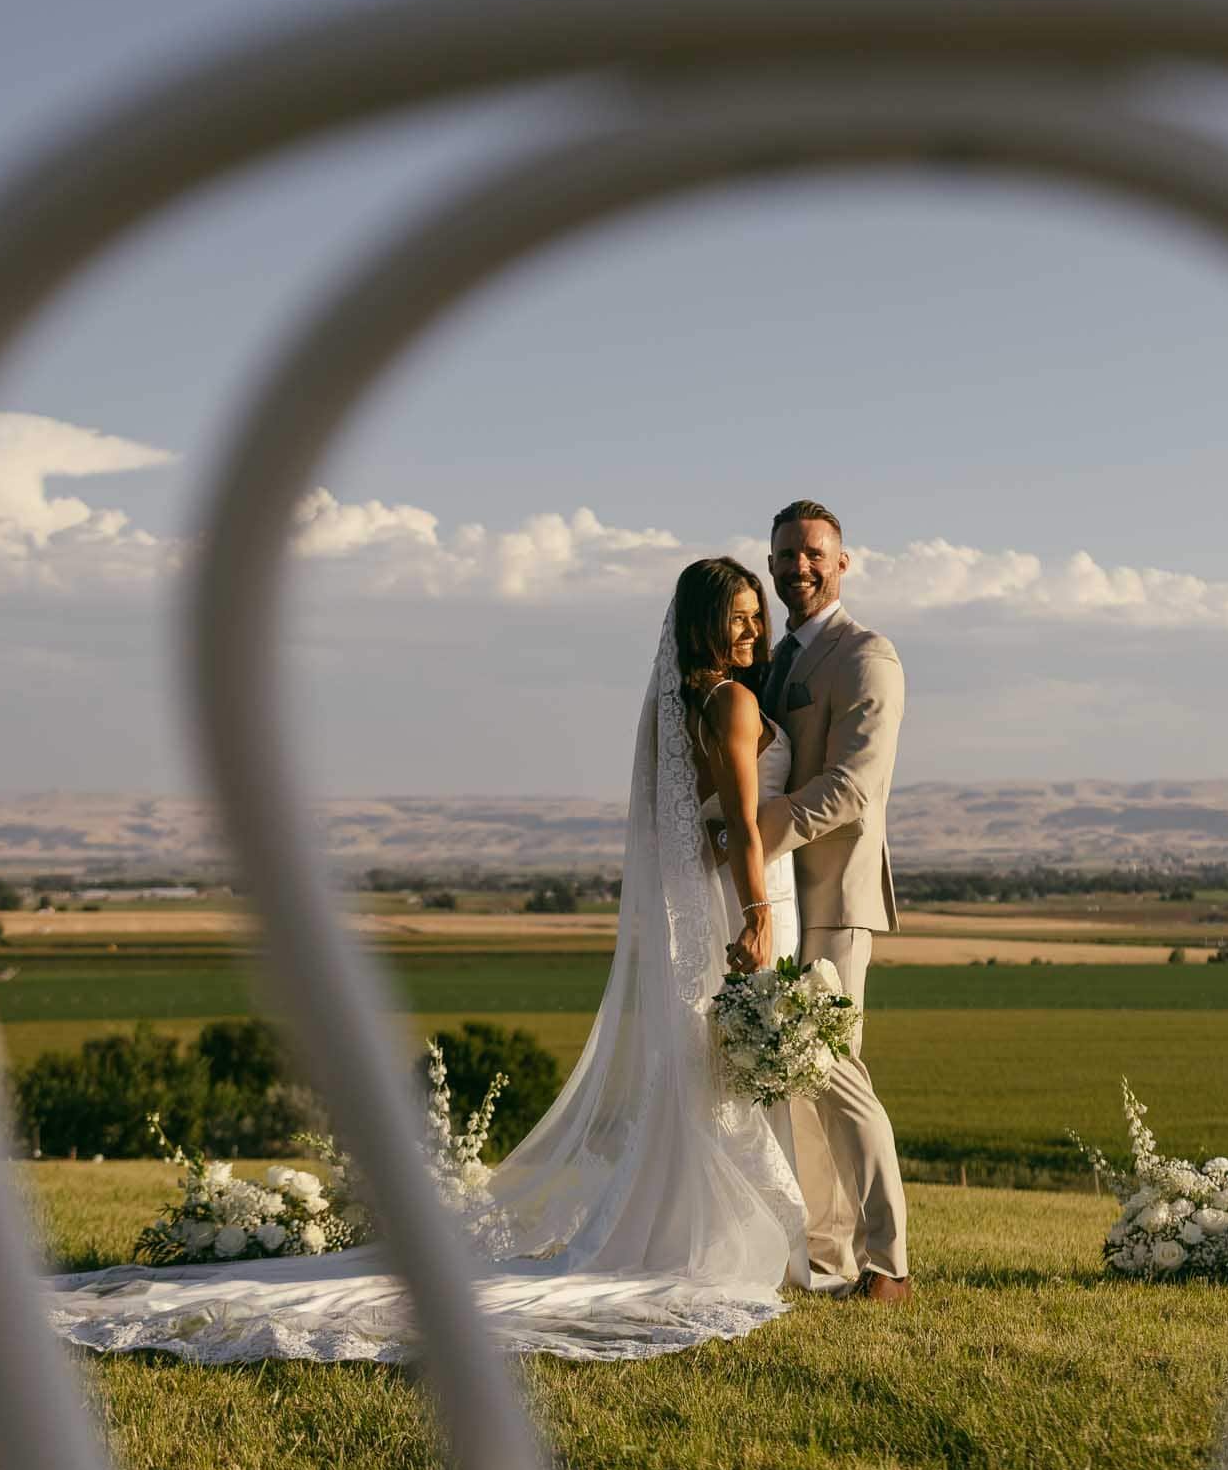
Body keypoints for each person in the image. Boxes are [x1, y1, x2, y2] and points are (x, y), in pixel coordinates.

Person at [43, 558, 808, 1365]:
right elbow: (749, 829)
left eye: (758, 615)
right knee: (717, 1075)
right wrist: (757, 914)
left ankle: (689, 1230)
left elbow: (710, 824)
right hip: (744, 905)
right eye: (739, 617)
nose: (754, 630)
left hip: (711, 902)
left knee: (707, 1073)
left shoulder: (683, 704)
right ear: (703, 623)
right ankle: (717, 1241)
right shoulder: (731, 700)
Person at [711, 500, 910, 1302]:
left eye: (813, 554)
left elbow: (854, 787)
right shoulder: (777, 659)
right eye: (785, 554)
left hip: (833, 899)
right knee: (795, 1080)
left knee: (836, 1073)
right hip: (782, 897)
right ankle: (826, 1255)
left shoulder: (867, 657)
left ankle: (889, 1261)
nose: (799, 567)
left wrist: (753, 835)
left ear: (843, 561)